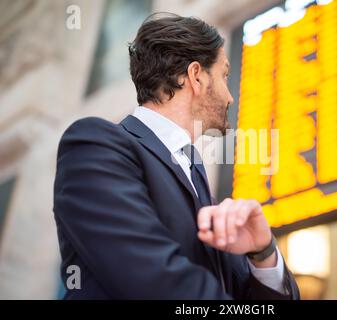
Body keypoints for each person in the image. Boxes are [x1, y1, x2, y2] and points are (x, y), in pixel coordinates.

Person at [53, 13, 300, 299]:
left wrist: (263, 252)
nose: (230, 97)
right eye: (224, 75)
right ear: (196, 76)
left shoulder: (197, 179)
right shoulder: (94, 145)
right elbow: (154, 281)